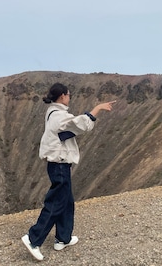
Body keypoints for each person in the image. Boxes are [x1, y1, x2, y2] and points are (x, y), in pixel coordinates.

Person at [22, 82, 116, 261]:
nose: (70, 98)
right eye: (69, 95)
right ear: (63, 96)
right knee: (57, 202)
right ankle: (33, 239)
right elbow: (79, 124)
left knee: (66, 201)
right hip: (59, 164)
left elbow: (72, 128)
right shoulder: (58, 116)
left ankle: (62, 238)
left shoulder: (53, 113)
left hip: (59, 164)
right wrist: (97, 108)